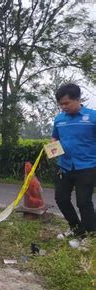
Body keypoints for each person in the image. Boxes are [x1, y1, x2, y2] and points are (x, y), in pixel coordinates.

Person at [51, 83, 96, 240]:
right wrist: (52, 149)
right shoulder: (59, 119)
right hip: (64, 166)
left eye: (66, 103)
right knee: (61, 199)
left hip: (87, 167)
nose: (63, 107)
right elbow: (55, 138)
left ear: (77, 99)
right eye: (60, 104)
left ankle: (90, 236)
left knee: (84, 202)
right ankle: (77, 229)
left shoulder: (92, 117)